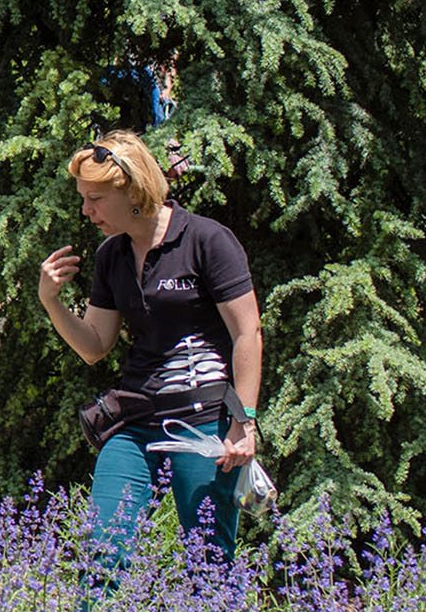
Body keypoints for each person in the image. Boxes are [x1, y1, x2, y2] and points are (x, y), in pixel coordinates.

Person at [36, 130, 264, 571]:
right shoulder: (112, 255)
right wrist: (51, 301)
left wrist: (245, 423)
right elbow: (95, 346)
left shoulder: (207, 240)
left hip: (203, 426)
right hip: (135, 421)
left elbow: (247, 334)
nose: (86, 210)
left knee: (209, 564)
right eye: (83, 198)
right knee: (102, 550)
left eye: (96, 198)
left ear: (134, 190)